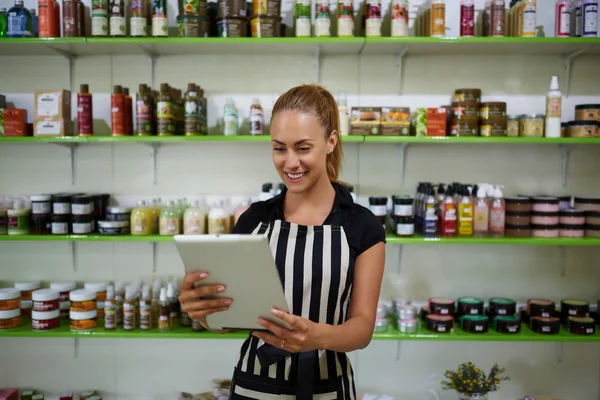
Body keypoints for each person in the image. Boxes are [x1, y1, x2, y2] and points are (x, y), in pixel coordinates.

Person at [179, 85, 386, 400]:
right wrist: (203, 311)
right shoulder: (253, 220)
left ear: (331, 142)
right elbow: (227, 318)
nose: (290, 163)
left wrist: (315, 336)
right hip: (254, 384)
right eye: (279, 148)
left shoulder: (362, 226)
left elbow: (362, 329)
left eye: (303, 148)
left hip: (328, 388)